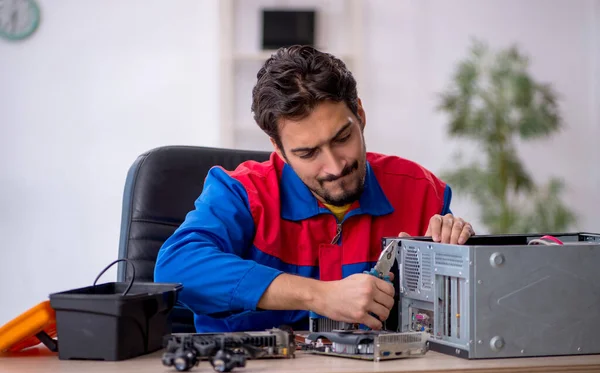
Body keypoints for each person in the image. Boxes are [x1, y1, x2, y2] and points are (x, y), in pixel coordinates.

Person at [154, 45, 474, 333]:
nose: (335, 166)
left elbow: (459, 311)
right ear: (279, 149)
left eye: (342, 138)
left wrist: (455, 255)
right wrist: (318, 295)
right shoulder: (239, 192)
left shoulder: (421, 192)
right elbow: (177, 266)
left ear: (359, 116)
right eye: (308, 153)